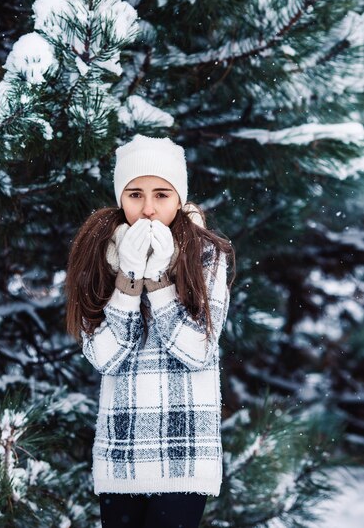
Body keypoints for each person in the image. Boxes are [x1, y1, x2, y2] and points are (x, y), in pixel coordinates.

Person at [65, 134, 235, 528]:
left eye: (162, 195)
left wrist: (158, 280)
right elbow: (105, 356)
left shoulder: (207, 254)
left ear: (179, 199)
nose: (148, 210)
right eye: (135, 194)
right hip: (121, 450)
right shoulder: (97, 252)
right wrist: (127, 277)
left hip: (185, 448)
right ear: (120, 197)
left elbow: (197, 350)